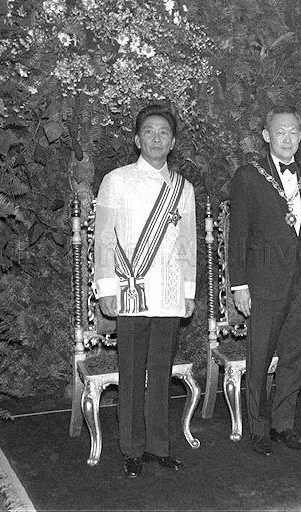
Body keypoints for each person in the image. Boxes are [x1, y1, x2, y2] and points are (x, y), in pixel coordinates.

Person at [94, 104, 196, 477]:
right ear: (137, 139)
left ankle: (159, 446)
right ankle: (132, 448)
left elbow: (187, 243)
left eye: (164, 133)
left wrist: (188, 290)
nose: (157, 138)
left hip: (168, 292)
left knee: (161, 370)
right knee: (132, 372)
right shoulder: (116, 180)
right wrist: (105, 287)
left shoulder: (183, 188)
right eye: (149, 132)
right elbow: (103, 239)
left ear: (172, 142)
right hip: (130, 289)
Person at [228, 105, 301, 456]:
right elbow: (237, 236)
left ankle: (284, 424)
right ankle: (258, 428)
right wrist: (239, 285)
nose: (288, 138)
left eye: (295, 132)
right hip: (264, 283)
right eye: (281, 132)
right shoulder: (249, 176)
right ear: (267, 136)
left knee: (294, 357)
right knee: (259, 357)